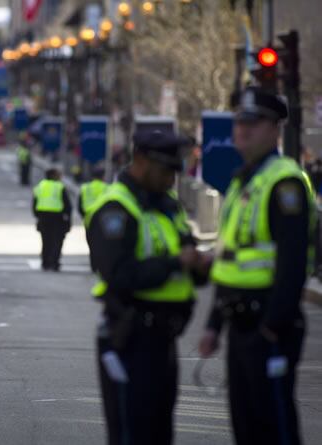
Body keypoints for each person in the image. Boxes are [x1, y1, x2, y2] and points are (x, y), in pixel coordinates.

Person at [198, 87, 316, 445]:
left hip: (269, 326)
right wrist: (213, 325)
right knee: (245, 425)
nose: (243, 130)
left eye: (254, 123)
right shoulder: (242, 181)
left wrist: (270, 328)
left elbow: (293, 264)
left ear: (274, 129)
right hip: (241, 323)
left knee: (274, 425)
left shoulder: (284, 182)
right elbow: (229, 261)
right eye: (240, 123)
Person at [89, 129, 210, 445]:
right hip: (130, 339)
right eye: (166, 170)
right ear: (140, 161)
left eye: (175, 170)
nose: (172, 178)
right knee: (132, 433)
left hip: (163, 339)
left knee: (159, 433)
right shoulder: (116, 208)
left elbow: (188, 261)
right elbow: (119, 274)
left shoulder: (168, 206)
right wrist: (176, 263)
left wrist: (199, 264)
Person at [32, 168, 72, 271]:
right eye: (58, 174)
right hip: (57, 218)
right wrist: (68, 219)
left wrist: (37, 215)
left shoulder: (40, 186)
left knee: (45, 241)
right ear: (53, 176)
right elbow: (67, 205)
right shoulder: (59, 187)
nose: (60, 176)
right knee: (57, 241)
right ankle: (54, 263)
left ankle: (45, 263)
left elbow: (35, 203)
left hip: (43, 217)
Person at [78, 168, 108, 272]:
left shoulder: (85, 188)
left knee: (91, 242)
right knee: (102, 242)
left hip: (88, 218)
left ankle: (93, 265)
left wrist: (84, 215)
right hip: (102, 219)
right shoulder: (107, 187)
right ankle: (100, 264)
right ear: (102, 177)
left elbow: (79, 205)